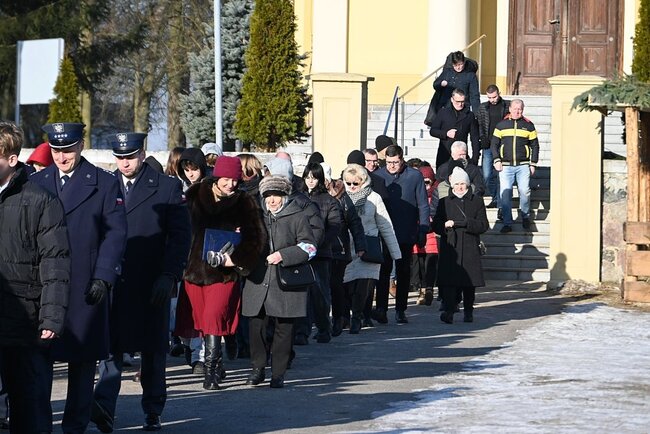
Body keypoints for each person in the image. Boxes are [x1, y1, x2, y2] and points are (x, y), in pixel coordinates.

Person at [91, 133, 191, 432]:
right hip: (115, 280)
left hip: (150, 280)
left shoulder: (166, 187)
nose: (125, 163)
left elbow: (180, 237)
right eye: (120, 157)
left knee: (153, 350)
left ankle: (153, 409)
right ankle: (104, 407)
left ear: (142, 154)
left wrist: (170, 275)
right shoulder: (105, 184)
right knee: (110, 348)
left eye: (130, 156)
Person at [31, 122, 127, 434]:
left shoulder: (103, 183)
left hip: (85, 285)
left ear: (81, 146)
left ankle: (75, 426)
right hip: (44, 286)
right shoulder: (37, 181)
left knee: (82, 363)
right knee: (40, 362)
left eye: (68, 150)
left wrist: (103, 276)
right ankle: (40, 425)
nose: (61, 157)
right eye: (56, 150)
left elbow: (115, 234)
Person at [0, 121, 70, 433]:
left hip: (24, 319)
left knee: (28, 401)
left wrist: (51, 318)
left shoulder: (42, 201)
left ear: (12, 159)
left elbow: (55, 263)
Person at [183, 156, 266, 390]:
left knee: (214, 317)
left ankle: (209, 372)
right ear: (217, 177)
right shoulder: (194, 196)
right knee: (203, 320)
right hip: (195, 271)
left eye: (235, 180)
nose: (231, 184)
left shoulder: (245, 202)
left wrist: (236, 259)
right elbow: (179, 230)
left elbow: (257, 238)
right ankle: (218, 364)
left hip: (224, 273)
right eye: (227, 179)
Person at [242, 176, 317, 388]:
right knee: (256, 327)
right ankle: (257, 368)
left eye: (276, 195)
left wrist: (284, 255)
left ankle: (278, 373)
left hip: (285, 282)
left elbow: (310, 247)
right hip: (258, 280)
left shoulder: (298, 216)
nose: (272, 200)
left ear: (285, 196)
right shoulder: (256, 217)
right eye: (268, 196)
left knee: (284, 329)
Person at [341, 164, 401, 334]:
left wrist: (395, 252)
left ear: (363, 181)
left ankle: (356, 317)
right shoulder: (342, 197)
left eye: (355, 183)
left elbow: (385, 225)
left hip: (368, 247)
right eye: (348, 183)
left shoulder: (374, 198)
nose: (352, 186)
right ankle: (346, 316)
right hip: (347, 247)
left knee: (363, 286)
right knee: (347, 285)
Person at [373, 145, 429, 324]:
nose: (391, 166)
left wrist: (423, 228)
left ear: (402, 160)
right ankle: (381, 309)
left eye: (395, 162)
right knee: (383, 271)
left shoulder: (414, 176)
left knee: (403, 271)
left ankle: (400, 309)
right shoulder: (378, 176)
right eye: (389, 162)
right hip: (384, 231)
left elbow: (423, 203)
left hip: (406, 231)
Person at [432, 167, 488, 324]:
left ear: (468, 184)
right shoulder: (444, 202)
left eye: (462, 183)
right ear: (452, 185)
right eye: (456, 184)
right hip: (451, 246)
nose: (459, 187)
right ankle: (449, 311)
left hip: (470, 246)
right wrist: (444, 225)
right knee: (449, 283)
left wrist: (467, 223)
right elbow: (435, 225)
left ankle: (468, 312)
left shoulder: (476, 201)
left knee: (469, 284)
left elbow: (483, 225)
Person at [297, 162, 341, 343]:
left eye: (314, 178)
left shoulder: (329, 200)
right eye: (308, 177)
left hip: (321, 253)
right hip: (300, 252)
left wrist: (317, 243)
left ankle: (323, 328)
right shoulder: (298, 198)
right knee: (302, 293)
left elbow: (334, 226)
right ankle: (302, 331)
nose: (310, 181)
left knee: (320, 292)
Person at [491, 99, 539, 233]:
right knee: (505, 194)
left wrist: (533, 163)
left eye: (520, 109)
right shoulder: (501, 125)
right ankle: (507, 223)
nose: (517, 111)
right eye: (515, 108)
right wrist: (496, 160)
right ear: (510, 109)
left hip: (523, 166)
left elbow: (535, 145)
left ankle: (525, 216)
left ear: (523, 110)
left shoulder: (529, 125)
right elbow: (494, 144)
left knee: (524, 191)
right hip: (505, 166)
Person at [327, 174, 366, 335]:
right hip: (319, 249)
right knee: (322, 288)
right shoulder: (310, 195)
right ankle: (324, 323)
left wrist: (360, 245)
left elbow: (355, 222)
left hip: (339, 249)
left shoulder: (342, 197)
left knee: (337, 286)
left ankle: (339, 319)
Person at [477, 84, 510, 208]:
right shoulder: (483, 107)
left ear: (499, 93)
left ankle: (499, 200)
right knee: (486, 175)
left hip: (503, 145)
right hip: (488, 145)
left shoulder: (507, 105)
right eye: (489, 97)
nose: (492, 100)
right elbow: (480, 124)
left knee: (501, 174)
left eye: (494, 97)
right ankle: (495, 196)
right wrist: (482, 138)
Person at [429, 88, 480, 168]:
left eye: (462, 101)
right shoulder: (443, 112)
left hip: (461, 155)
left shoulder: (469, 115)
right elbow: (433, 131)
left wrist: (475, 159)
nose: (460, 104)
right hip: (444, 154)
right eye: (457, 102)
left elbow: (474, 138)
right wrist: (446, 133)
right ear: (452, 100)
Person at [411, 164, 439, 306]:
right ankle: (422, 290)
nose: (425, 186)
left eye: (427, 182)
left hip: (432, 237)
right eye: (422, 182)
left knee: (430, 265)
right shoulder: (415, 196)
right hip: (418, 235)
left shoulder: (435, 195)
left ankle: (429, 289)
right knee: (420, 266)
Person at [431, 51, 480, 116]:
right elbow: (435, 85)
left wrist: (476, 113)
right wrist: (441, 83)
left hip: (462, 109)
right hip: (446, 107)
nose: (458, 67)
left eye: (460, 64)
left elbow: (474, 96)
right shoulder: (448, 72)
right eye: (455, 65)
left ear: (464, 62)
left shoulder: (470, 75)